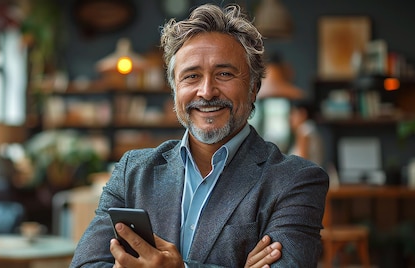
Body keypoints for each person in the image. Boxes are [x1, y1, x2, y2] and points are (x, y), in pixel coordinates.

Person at [70, 3, 329, 267]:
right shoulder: (133, 171)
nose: (206, 91)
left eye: (224, 74)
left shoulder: (296, 180)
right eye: (192, 76)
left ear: (253, 89)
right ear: (174, 91)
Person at [288, 100, 324, 166]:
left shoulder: (304, 131)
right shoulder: (311, 129)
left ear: (303, 113)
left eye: (293, 113)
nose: (290, 118)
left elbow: (301, 162)